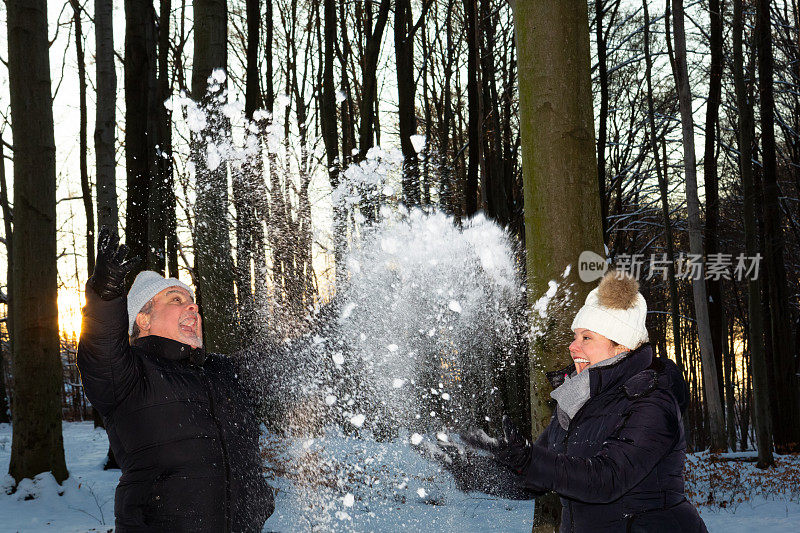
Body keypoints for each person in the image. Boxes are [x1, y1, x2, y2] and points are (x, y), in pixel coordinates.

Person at [475, 270, 707, 532]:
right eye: (575, 337)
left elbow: (607, 479)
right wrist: (475, 469)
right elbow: (537, 477)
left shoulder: (653, 403)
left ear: (622, 347)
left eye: (587, 338)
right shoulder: (574, 400)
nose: (573, 346)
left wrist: (531, 461)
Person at [77, 227, 274, 532]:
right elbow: (101, 347)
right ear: (143, 318)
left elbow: (290, 358)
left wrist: (341, 318)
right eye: (176, 299)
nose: (192, 306)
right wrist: (105, 294)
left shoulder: (224, 371)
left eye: (192, 300)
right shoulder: (130, 374)